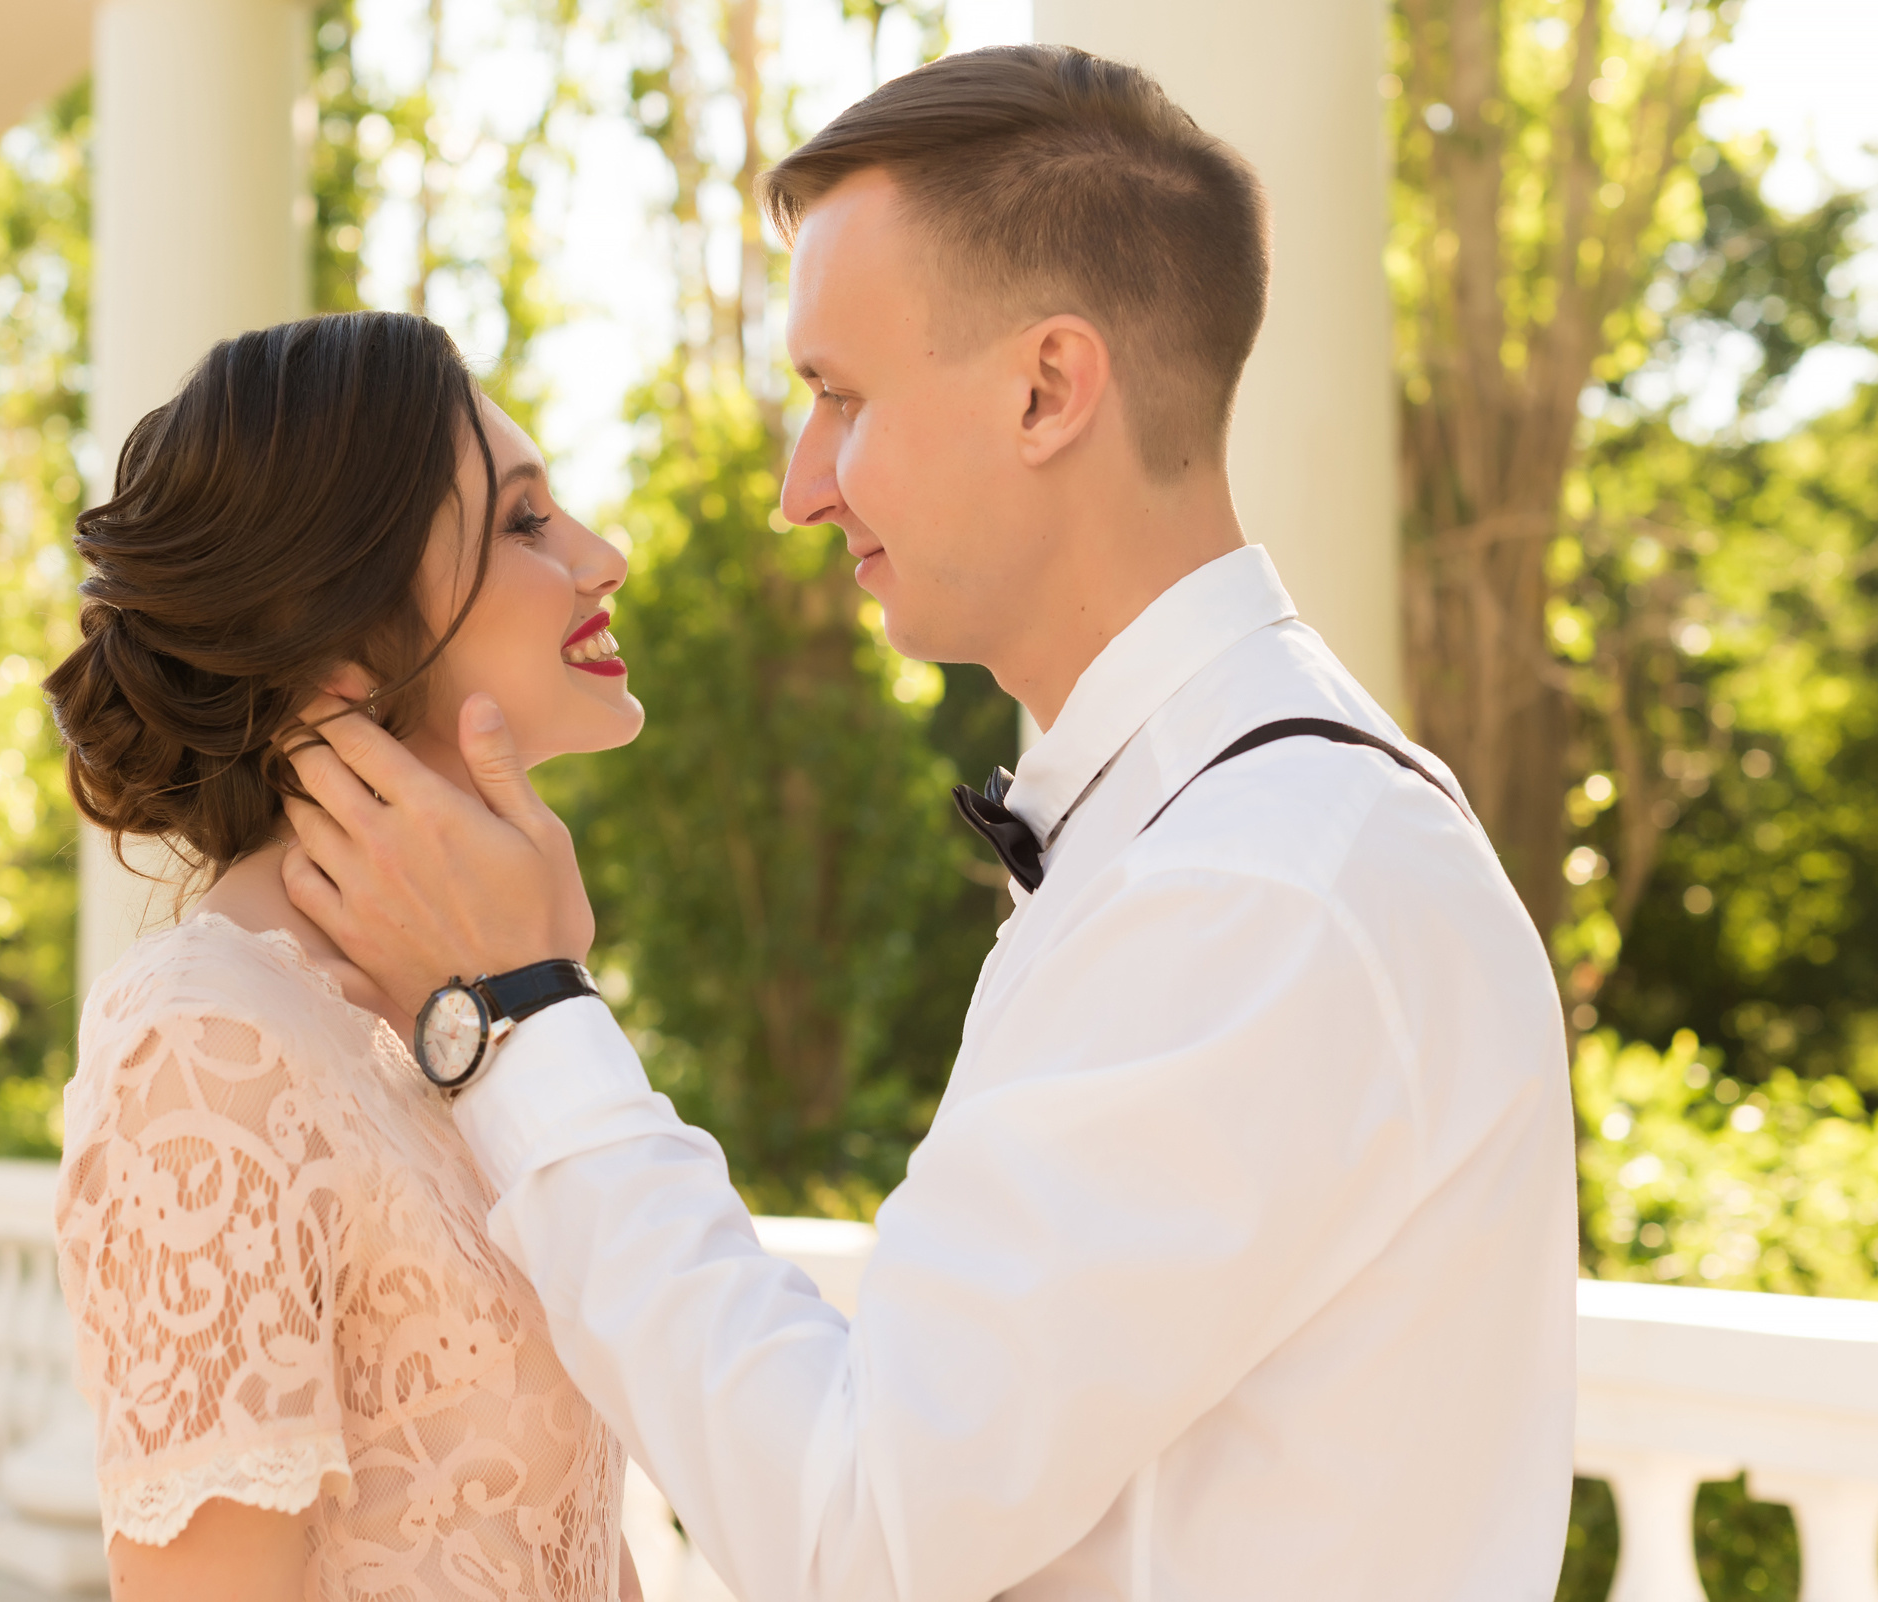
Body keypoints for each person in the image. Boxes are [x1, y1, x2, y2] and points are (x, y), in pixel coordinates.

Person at [276, 46, 1577, 1602]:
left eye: (839, 398)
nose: (797, 487)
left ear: (1047, 388)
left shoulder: (1260, 884)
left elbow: (858, 1538)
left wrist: (521, 1014)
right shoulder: (1222, 834)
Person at [42, 311, 648, 1601]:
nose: (608, 557)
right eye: (527, 523)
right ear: (341, 644)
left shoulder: (474, 1007)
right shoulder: (209, 1048)